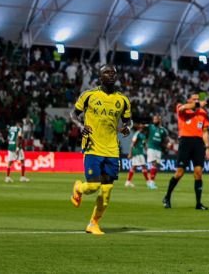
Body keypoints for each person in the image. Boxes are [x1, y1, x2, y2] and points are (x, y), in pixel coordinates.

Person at [68, 64, 133, 235]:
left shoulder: (123, 100)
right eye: (106, 72)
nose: (110, 75)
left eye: (113, 72)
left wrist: (127, 128)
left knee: (106, 191)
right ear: (100, 76)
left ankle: (93, 223)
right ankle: (78, 189)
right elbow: (73, 114)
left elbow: (128, 121)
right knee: (93, 186)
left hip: (112, 149)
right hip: (92, 146)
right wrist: (80, 125)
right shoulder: (89, 95)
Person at [162, 93, 209, 210]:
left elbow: (205, 131)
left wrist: (208, 147)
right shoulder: (181, 107)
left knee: (198, 173)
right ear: (189, 100)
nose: (196, 101)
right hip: (185, 142)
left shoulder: (203, 113)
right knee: (179, 173)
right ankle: (167, 197)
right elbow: (183, 108)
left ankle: (198, 204)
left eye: (198, 99)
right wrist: (198, 104)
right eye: (194, 99)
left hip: (198, 143)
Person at [146, 114, 169, 189]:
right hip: (151, 147)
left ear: (159, 120)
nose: (154, 120)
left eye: (155, 119)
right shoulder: (150, 127)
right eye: (153, 119)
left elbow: (165, 140)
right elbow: (142, 128)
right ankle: (151, 182)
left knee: (155, 165)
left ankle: (151, 181)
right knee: (154, 164)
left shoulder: (163, 130)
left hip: (158, 149)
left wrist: (166, 146)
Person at [125, 123, 150, 187]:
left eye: (142, 127)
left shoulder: (143, 135)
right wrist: (130, 153)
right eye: (140, 127)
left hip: (140, 152)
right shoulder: (137, 134)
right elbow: (133, 143)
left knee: (134, 167)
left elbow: (144, 144)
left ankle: (128, 182)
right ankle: (148, 182)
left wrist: (147, 151)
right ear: (138, 128)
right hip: (137, 152)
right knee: (143, 166)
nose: (141, 128)